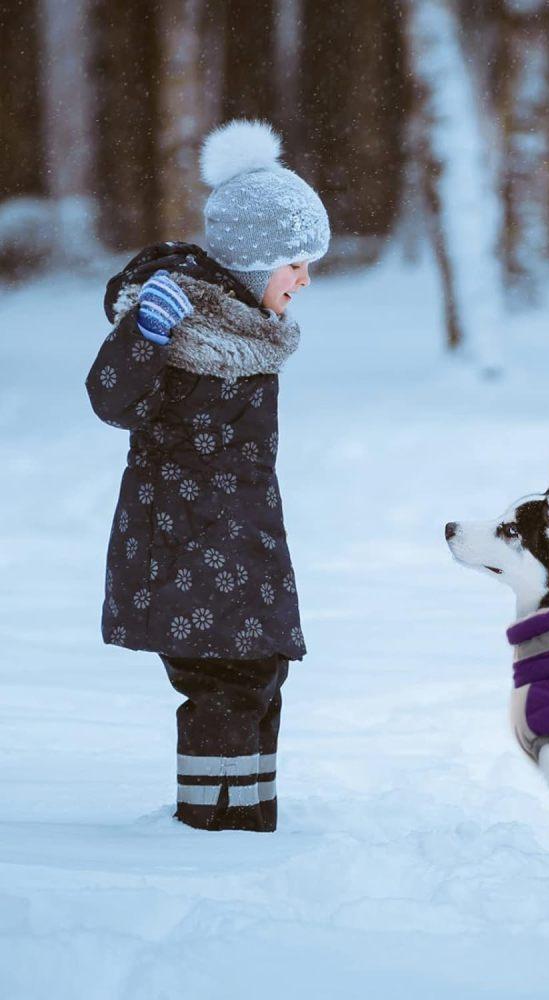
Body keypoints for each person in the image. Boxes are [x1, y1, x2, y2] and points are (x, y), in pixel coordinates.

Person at [85, 120, 330, 831]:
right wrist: (144, 332)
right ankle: (213, 832)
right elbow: (109, 396)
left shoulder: (252, 331)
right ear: (255, 262)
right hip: (187, 546)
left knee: (261, 674)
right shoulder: (183, 323)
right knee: (224, 682)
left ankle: (250, 818)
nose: (306, 279)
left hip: (242, 543)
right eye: (296, 262)